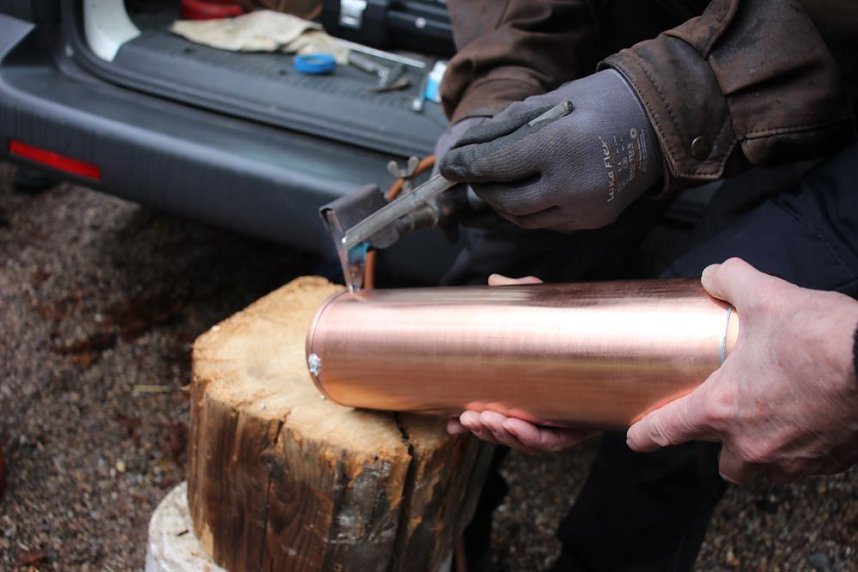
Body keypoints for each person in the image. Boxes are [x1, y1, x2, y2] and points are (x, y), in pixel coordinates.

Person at [431, 1, 858, 570]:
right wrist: (497, 88)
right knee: (465, 323)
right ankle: (449, 547)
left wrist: (666, 105)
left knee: (699, 359)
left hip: (826, 81)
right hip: (621, 48)